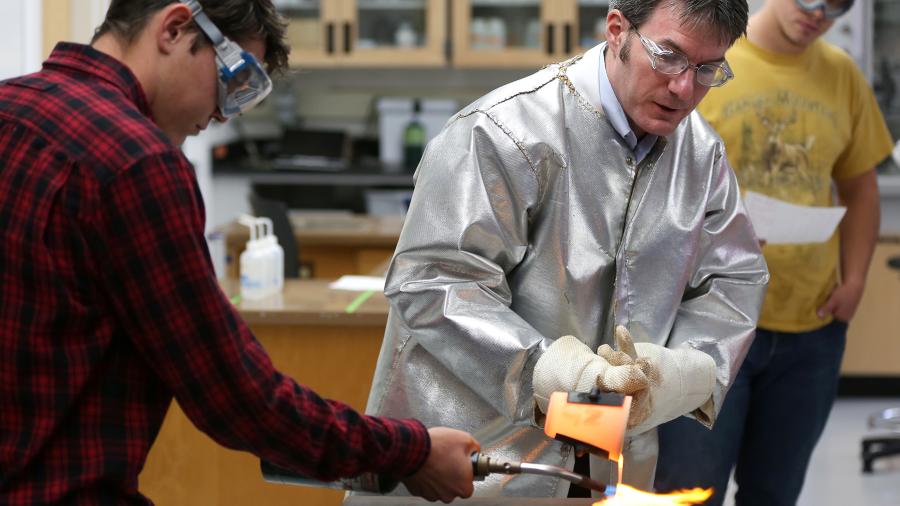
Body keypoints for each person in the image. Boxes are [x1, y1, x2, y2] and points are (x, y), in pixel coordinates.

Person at [0, 1, 479, 504]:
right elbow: (236, 397)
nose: (222, 113)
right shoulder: (137, 164)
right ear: (176, 28)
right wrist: (409, 452)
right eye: (233, 77)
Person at [363, 0, 768, 497]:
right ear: (617, 30)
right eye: (668, 56)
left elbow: (734, 278)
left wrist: (684, 368)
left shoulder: (700, 157)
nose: (685, 88)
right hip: (479, 457)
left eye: (708, 69)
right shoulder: (502, 134)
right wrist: (547, 370)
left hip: (608, 463)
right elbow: (433, 281)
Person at [654, 0, 894, 505]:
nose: (820, 13)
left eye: (838, 5)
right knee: (690, 493)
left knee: (775, 493)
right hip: (707, 325)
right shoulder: (709, 63)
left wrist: (854, 282)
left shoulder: (841, 76)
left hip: (810, 330)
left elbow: (860, 187)